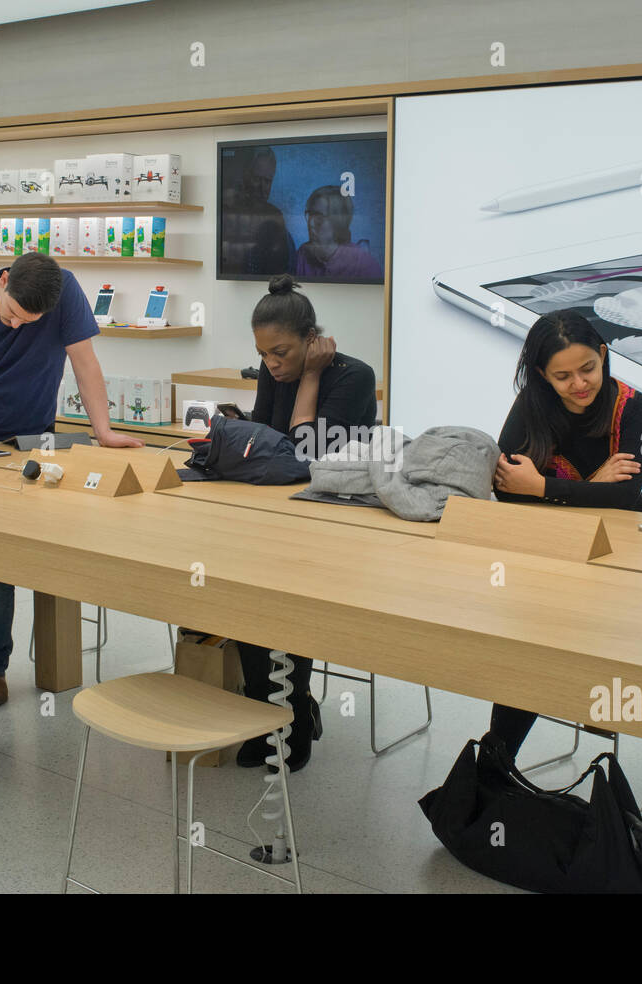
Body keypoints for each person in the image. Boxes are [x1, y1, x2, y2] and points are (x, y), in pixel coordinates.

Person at [0, 253, 142, 708]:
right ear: (4, 280)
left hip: (28, 442)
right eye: (11, 314)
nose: (15, 326)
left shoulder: (64, 289)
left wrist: (103, 431)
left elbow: (85, 363)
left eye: (29, 322)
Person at [487, 309, 642, 758]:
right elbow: (506, 490)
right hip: (552, 552)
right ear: (543, 374)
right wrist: (593, 486)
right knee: (531, 651)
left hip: (619, 555)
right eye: (563, 376)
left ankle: (500, 757)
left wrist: (543, 486)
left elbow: (626, 497)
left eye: (587, 369)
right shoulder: (530, 403)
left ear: (603, 355)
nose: (579, 384)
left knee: (552, 647)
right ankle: (497, 758)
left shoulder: (633, 406)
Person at [236, 275, 377, 772]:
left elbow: (305, 455)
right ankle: (260, 712)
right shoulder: (272, 372)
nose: (271, 365)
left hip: (335, 522)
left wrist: (310, 378)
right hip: (276, 512)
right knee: (245, 599)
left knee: (287, 606)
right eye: (264, 355)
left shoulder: (353, 376)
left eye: (282, 353)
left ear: (312, 340)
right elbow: (261, 443)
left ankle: (294, 717)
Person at [219, 145, 294, 276]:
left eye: (267, 181)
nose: (261, 187)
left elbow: (280, 270)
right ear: (245, 175)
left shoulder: (275, 216)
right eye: (256, 179)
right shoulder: (226, 209)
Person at [292, 185, 383, 281]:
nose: (310, 224)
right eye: (310, 215)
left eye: (319, 217)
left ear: (338, 222)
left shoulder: (364, 264)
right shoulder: (301, 255)